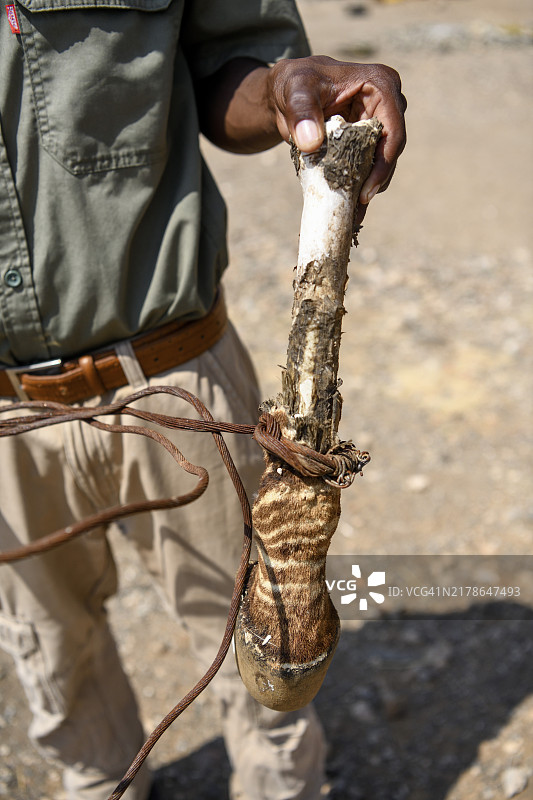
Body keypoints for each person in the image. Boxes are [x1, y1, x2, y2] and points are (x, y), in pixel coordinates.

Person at [0, 1, 406, 798]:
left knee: (267, 659)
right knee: (51, 657)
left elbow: (233, 68)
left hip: (177, 371)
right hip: (7, 417)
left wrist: (284, 85)